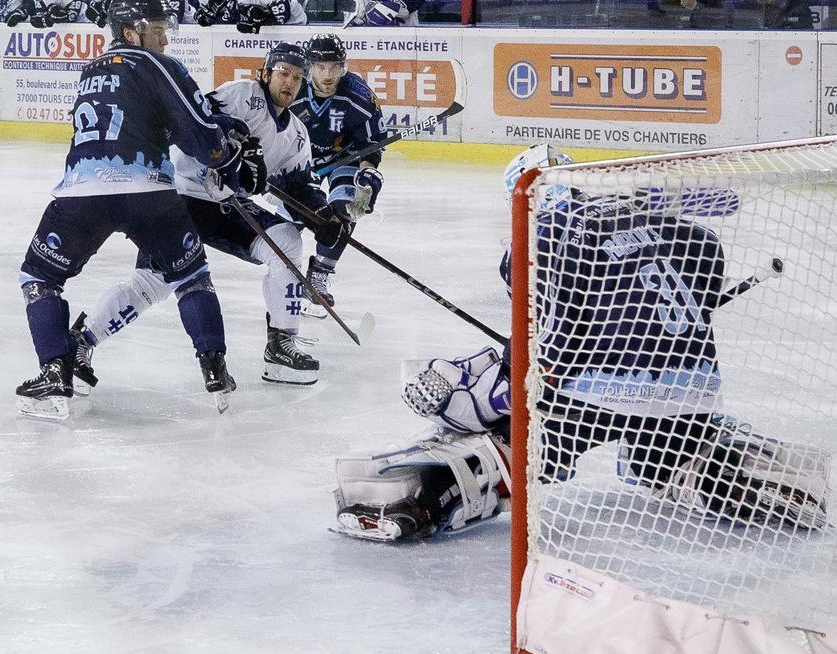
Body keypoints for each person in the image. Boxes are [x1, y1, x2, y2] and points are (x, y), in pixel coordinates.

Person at [333, 144, 829, 540]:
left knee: (518, 441)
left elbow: (543, 352)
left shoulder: (536, 238)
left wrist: (468, 399)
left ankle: (436, 491)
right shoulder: (677, 227)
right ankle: (716, 465)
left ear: (521, 196)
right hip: (692, 393)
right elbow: (704, 261)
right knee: (663, 456)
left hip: (594, 397)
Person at [15, 0, 238, 421]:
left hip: (81, 193)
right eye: (156, 31)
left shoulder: (90, 69)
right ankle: (214, 369)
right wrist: (228, 157)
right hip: (147, 192)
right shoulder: (159, 64)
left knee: (39, 276)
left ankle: (54, 374)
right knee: (192, 276)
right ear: (131, 32)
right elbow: (199, 137)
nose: (165, 41)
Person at [71, 42, 327, 387]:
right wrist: (227, 142)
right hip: (182, 196)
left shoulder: (297, 135)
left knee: (287, 242)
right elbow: (194, 119)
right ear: (265, 74)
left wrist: (322, 214)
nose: (290, 83)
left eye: (297, 78)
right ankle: (81, 342)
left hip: (226, 206)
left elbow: (297, 187)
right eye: (283, 73)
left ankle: (280, 347)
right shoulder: (242, 95)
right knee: (153, 283)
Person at [289, 33, 387, 317]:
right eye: (321, 67)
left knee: (348, 205)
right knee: (288, 225)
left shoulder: (357, 94)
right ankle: (287, 281)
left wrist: (369, 175)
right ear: (309, 67)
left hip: (341, 157)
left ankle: (320, 273)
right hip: (295, 158)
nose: (328, 74)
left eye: (334, 67)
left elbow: (371, 144)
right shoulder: (291, 88)